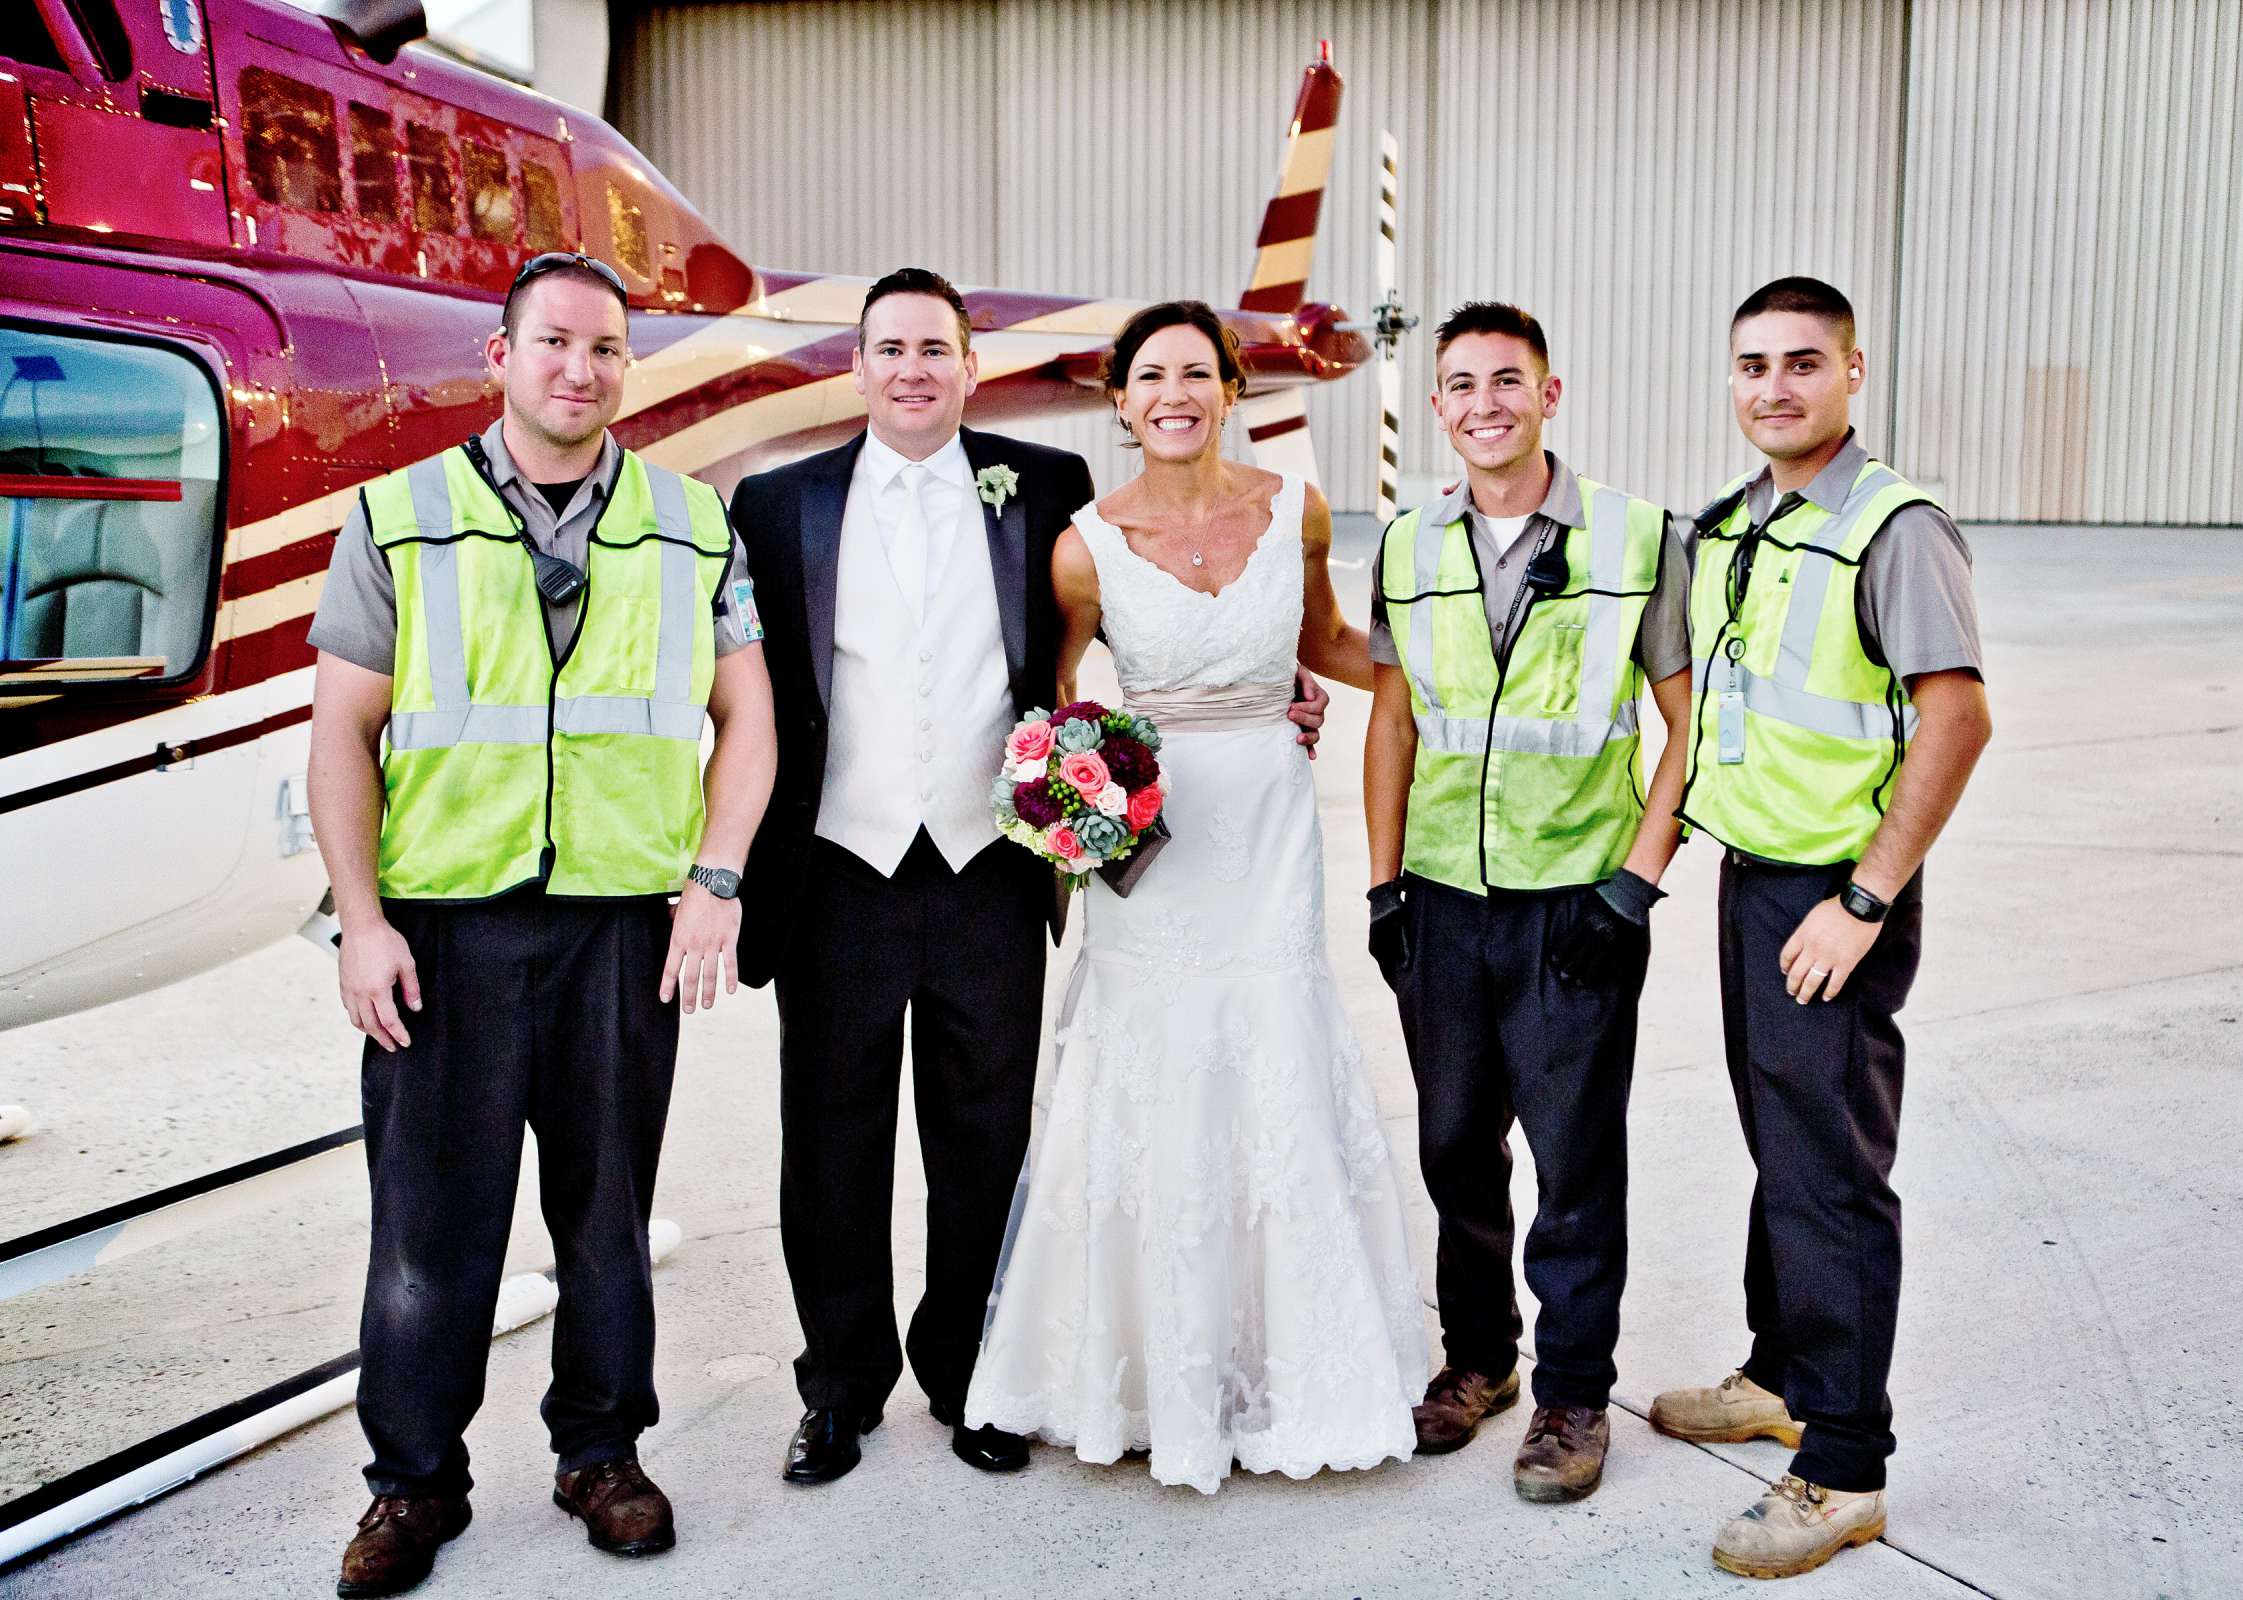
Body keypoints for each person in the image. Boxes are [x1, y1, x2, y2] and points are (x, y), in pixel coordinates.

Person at [730, 270, 1331, 1485]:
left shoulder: (1046, 489)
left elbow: (1136, 631)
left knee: (986, 1138)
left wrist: (1279, 688)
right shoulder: (775, 502)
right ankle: (839, 1387)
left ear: (970, 365)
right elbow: (744, 689)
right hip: (837, 870)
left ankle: (971, 1375)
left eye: (936, 349)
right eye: (890, 348)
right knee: (831, 1143)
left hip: (990, 869)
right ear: (858, 367)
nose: (913, 369)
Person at [307, 251, 775, 1597]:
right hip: (441, 936)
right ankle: (412, 1486)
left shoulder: (695, 527)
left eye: (608, 350)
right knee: (427, 1232)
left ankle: (601, 1454)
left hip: (620, 933)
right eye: (555, 343)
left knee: (608, 1216)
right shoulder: (396, 518)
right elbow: (341, 730)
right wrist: (360, 920)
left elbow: (746, 721)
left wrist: (716, 878)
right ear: (499, 356)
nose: (581, 369)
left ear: (631, 369)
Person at [962, 300, 1425, 1492]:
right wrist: (1074, 803)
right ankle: (1142, 1371)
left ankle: (1293, 1365)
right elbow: (1054, 699)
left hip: (1268, 819)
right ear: (1119, 401)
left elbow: (1323, 635)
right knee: (1151, 1073)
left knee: (1270, 1050)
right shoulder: (1083, 544)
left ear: (1229, 390)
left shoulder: (1297, 509)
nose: (1175, 393)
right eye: (1150, 376)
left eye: (1197, 374)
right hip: (1150, 842)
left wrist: (1429, 673)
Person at [1648, 276, 1991, 1580]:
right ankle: (1783, 1372)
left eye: (1803, 362)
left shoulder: (1895, 529)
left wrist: (1864, 900)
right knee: (1778, 1144)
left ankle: (1843, 1463)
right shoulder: (1741, 524)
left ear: (1855, 369)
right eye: (1752, 365)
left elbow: (1955, 720)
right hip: (1757, 879)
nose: (1775, 386)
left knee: (1831, 1177)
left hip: (1835, 897)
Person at [1360, 302, 1693, 1504]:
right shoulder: (1405, 545)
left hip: (1576, 902)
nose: (1486, 402)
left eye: (1510, 380)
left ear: (1552, 393)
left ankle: (1572, 1394)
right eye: (1462, 384)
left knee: (1573, 1158)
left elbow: (1685, 723)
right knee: (1453, 1143)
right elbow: (1394, 718)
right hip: (1445, 900)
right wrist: (1385, 879)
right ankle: (1481, 1359)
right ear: (1436, 406)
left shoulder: (1639, 538)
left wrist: (1635, 883)